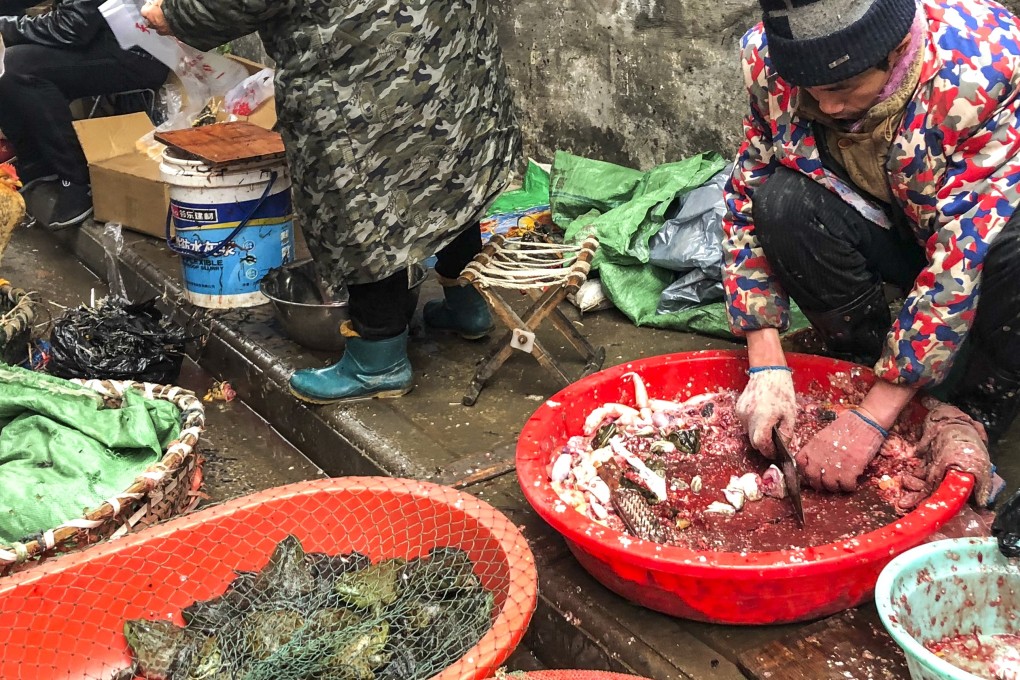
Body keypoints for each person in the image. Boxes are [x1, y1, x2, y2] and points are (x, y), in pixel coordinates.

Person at [141, 0, 520, 405]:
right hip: (447, 38)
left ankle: (379, 360)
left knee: (362, 196)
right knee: (447, 167)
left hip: (358, 66)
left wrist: (176, 15)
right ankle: (467, 303)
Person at [723, 0, 1020, 509]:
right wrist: (765, 361)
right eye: (810, 90)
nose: (827, 106)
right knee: (781, 203)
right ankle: (861, 359)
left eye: (840, 89)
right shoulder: (767, 61)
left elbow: (959, 256)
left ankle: (979, 404)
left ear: (898, 49)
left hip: (977, 231)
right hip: (879, 214)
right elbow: (747, 193)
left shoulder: (986, 68)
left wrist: (872, 419)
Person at [0, 0, 169, 228]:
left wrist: (5, 27)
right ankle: (37, 162)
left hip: (136, 53)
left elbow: (71, 27)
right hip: (98, 38)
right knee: (7, 60)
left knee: (16, 65)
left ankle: (77, 179)